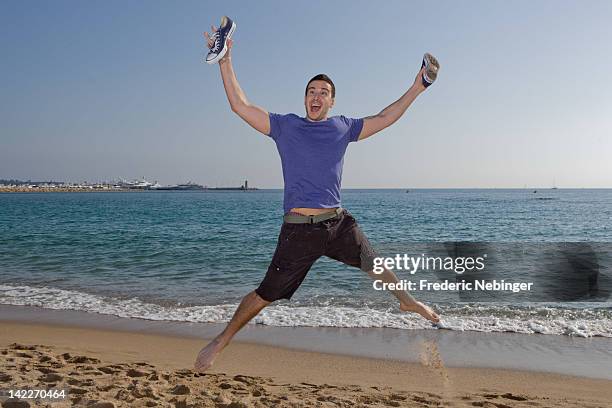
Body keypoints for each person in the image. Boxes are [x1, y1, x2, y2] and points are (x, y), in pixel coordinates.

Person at [195, 23, 440, 373]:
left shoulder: (342, 127)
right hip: (298, 231)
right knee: (264, 295)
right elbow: (240, 105)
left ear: (332, 101)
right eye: (312, 90)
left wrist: (418, 86)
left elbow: (386, 117)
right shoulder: (285, 126)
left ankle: (408, 302)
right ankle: (220, 342)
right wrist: (225, 60)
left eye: (323, 92)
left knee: (377, 264)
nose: (316, 96)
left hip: (337, 223)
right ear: (305, 98)